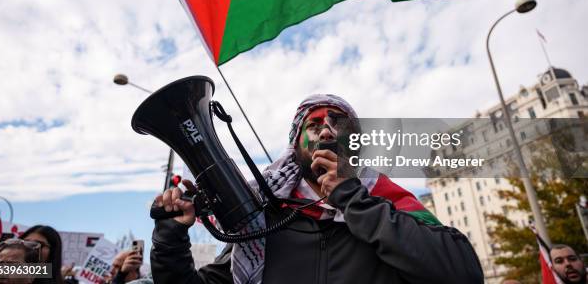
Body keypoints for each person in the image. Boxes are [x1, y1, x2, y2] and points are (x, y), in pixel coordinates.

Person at [150, 94, 484, 284]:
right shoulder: (261, 227)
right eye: (314, 124)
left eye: (338, 124)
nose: (326, 132)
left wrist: (353, 199)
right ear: (294, 145)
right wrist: (169, 239)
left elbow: (462, 273)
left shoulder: (385, 201)